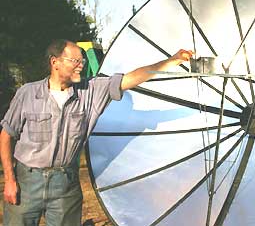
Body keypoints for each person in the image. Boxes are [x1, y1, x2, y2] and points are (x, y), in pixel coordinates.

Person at [0, 39, 193, 225]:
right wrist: (9, 179)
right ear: (55, 62)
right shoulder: (27, 93)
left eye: (82, 61)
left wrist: (172, 60)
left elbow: (131, 78)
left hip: (65, 184)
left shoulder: (91, 91)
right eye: (75, 61)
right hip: (27, 182)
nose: (81, 65)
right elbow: (6, 136)